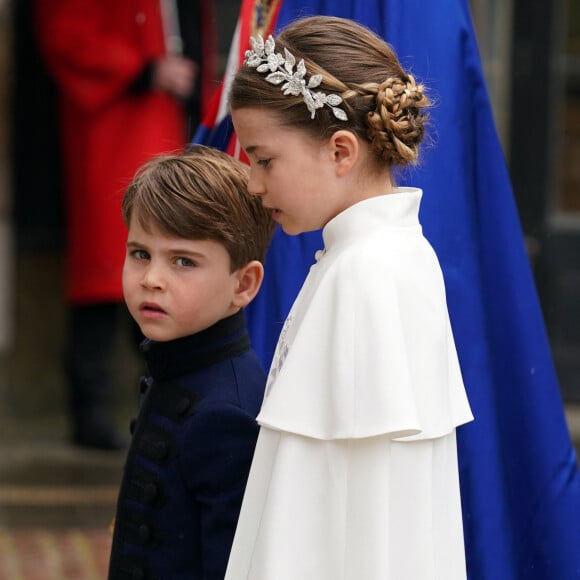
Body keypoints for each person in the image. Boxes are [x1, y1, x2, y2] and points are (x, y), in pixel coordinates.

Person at [224, 15, 475, 579]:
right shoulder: (389, 254)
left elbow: (333, 508)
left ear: (340, 150)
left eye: (263, 159)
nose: (253, 183)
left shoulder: (362, 273)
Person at [34, 0, 216, 449]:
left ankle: (162, 404)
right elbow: (67, 34)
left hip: (163, 119)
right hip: (118, 124)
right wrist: (144, 69)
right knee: (108, 272)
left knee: (156, 263)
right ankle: (94, 411)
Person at [107, 144, 275, 578]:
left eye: (183, 261)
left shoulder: (224, 413)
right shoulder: (174, 369)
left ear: (244, 284)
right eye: (140, 253)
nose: (152, 279)